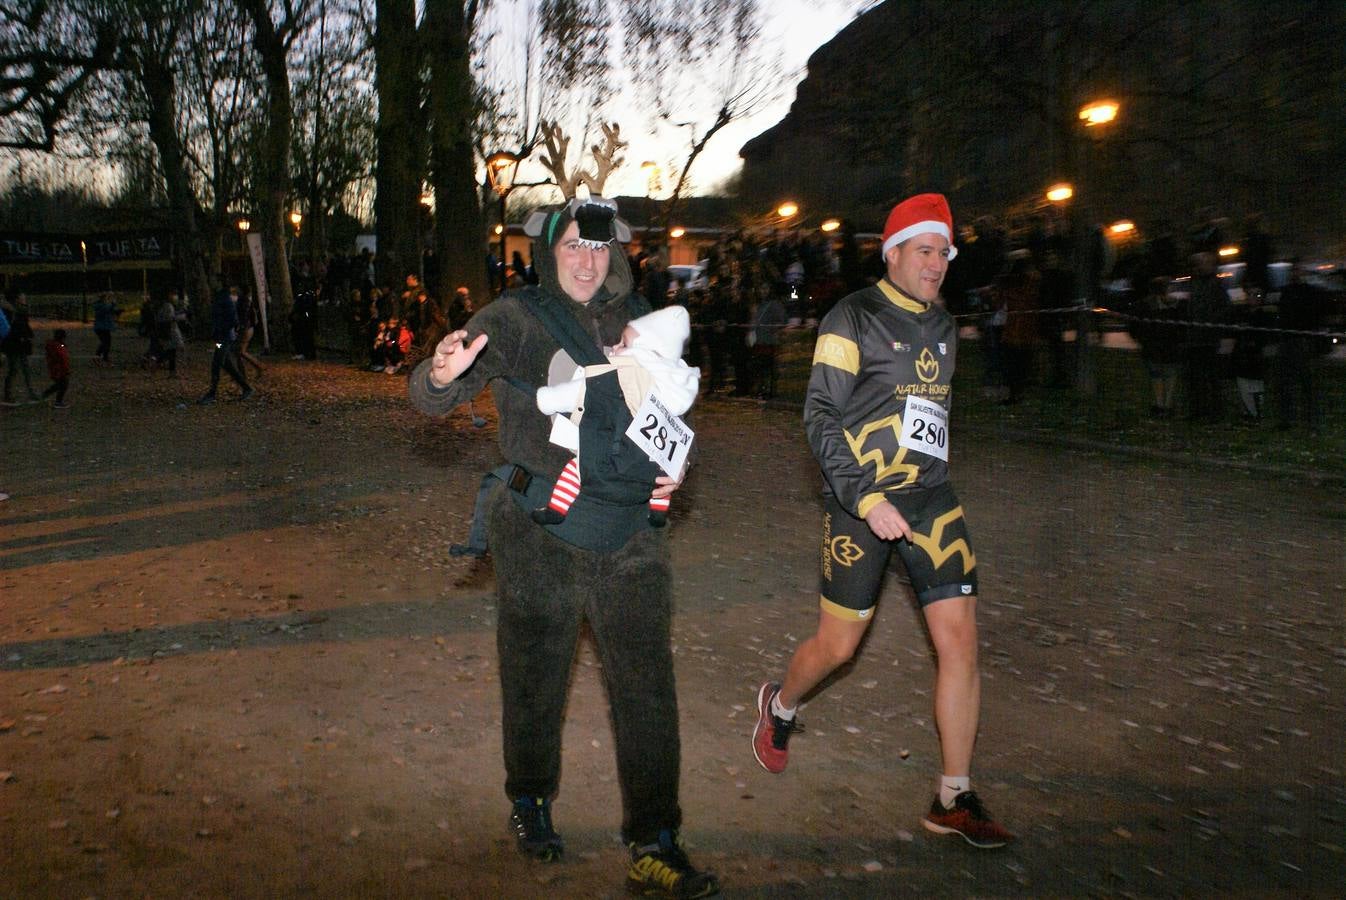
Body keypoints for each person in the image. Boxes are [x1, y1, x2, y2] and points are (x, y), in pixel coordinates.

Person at [407, 196, 719, 898]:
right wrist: (439, 374)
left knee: (645, 686)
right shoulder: (515, 318)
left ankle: (655, 840)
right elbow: (430, 399)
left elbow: (668, 412)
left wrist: (673, 463)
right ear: (550, 251)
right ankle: (530, 799)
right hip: (539, 530)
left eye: (599, 247)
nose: (586, 260)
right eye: (574, 245)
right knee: (534, 675)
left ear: (615, 253)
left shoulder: (642, 319)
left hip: (630, 533)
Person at [751, 193, 1013, 849]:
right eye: (924, 251)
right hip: (860, 507)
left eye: (944, 254)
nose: (936, 264)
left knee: (960, 641)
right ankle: (779, 707)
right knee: (837, 648)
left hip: (929, 502)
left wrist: (921, 482)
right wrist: (866, 499)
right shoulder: (851, 318)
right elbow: (819, 417)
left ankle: (953, 794)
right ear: (893, 252)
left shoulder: (947, 327)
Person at [533, 304, 699, 527]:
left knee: (576, 468)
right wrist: (680, 461)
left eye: (624, 344)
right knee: (660, 472)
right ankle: (658, 511)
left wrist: (546, 399)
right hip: (644, 468)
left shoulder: (619, 373)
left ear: (645, 351)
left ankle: (556, 509)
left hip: (608, 460)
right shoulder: (674, 388)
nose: (615, 348)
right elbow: (678, 432)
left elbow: (579, 390)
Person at [1128, 276, 1184, 418]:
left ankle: (1167, 404)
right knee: (1157, 374)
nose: (1172, 290)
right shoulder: (1145, 306)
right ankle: (1160, 405)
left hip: (1170, 346)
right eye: (1170, 287)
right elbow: (1134, 325)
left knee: (1169, 374)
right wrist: (1142, 339)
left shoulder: (1177, 305)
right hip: (1154, 346)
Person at [198, 286, 253, 405]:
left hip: (223, 339)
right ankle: (246, 388)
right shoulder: (223, 300)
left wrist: (221, 331)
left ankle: (212, 393)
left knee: (217, 363)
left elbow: (232, 320)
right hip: (222, 339)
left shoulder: (224, 301)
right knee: (226, 364)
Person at [2, 292, 40, 405]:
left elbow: (23, 325)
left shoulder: (17, 310)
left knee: (22, 368)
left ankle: (27, 392)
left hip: (17, 343)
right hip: (13, 343)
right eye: (22, 297)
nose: (24, 299)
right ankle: (9, 394)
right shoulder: (13, 311)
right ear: (17, 299)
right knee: (15, 369)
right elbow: (12, 327)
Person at [155, 293, 189, 377]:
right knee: (171, 351)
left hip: (168, 331)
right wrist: (181, 317)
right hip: (170, 332)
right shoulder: (168, 306)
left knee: (171, 351)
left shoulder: (164, 306)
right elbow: (170, 318)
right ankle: (157, 361)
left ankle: (171, 371)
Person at [42, 328, 71, 408]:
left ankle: (45, 395)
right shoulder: (58, 346)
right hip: (59, 369)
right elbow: (62, 359)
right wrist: (66, 369)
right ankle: (58, 401)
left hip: (56, 369)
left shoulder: (56, 345)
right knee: (63, 384)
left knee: (59, 385)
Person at [93, 292, 118, 365]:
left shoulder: (100, 305)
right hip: (102, 327)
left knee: (106, 343)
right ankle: (100, 357)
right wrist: (113, 303)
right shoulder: (100, 306)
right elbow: (107, 309)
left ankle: (103, 357)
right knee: (105, 343)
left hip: (102, 327)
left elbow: (109, 310)